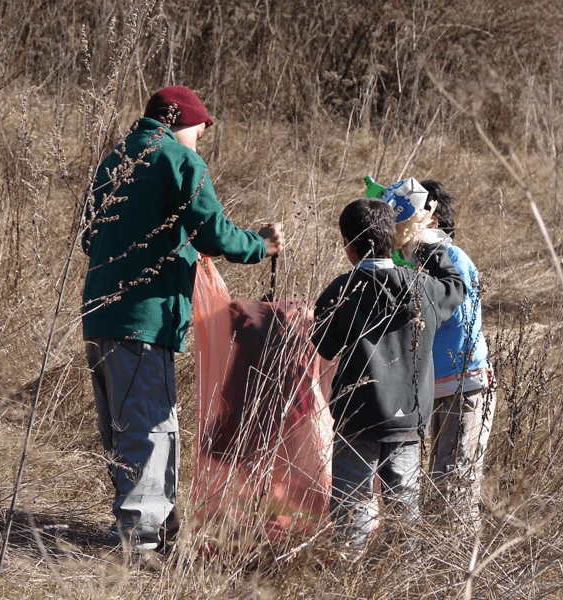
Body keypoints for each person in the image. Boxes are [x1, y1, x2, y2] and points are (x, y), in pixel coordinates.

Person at [81, 85, 283, 553]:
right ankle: (140, 543)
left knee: (123, 427)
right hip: (145, 318)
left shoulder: (116, 159)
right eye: (199, 129)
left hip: (99, 315)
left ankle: (160, 526)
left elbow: (91, 237)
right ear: (183, 122)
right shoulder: (177, 159)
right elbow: (215, 234)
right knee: (151, 428)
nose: (200, 139)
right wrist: (262, 245)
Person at [311, 197, 465, 551]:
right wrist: (426, 245)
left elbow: (324, 345)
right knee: (404, 508)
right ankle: (401, 576)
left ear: (348, 246)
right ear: (393, 240)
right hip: (409, 418)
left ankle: (348, 575)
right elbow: (455, 286)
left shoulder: (343, 290)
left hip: (358, 416)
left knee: (352, 505)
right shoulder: (423, 287)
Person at [421, 180, 495, 524]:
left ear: (433, 221)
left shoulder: (451, 258)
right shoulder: (419, 263)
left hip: (464, 385)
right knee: (438, 479)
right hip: (440, 386)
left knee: (454, 484)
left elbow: (458, 315)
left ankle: (457, 568)